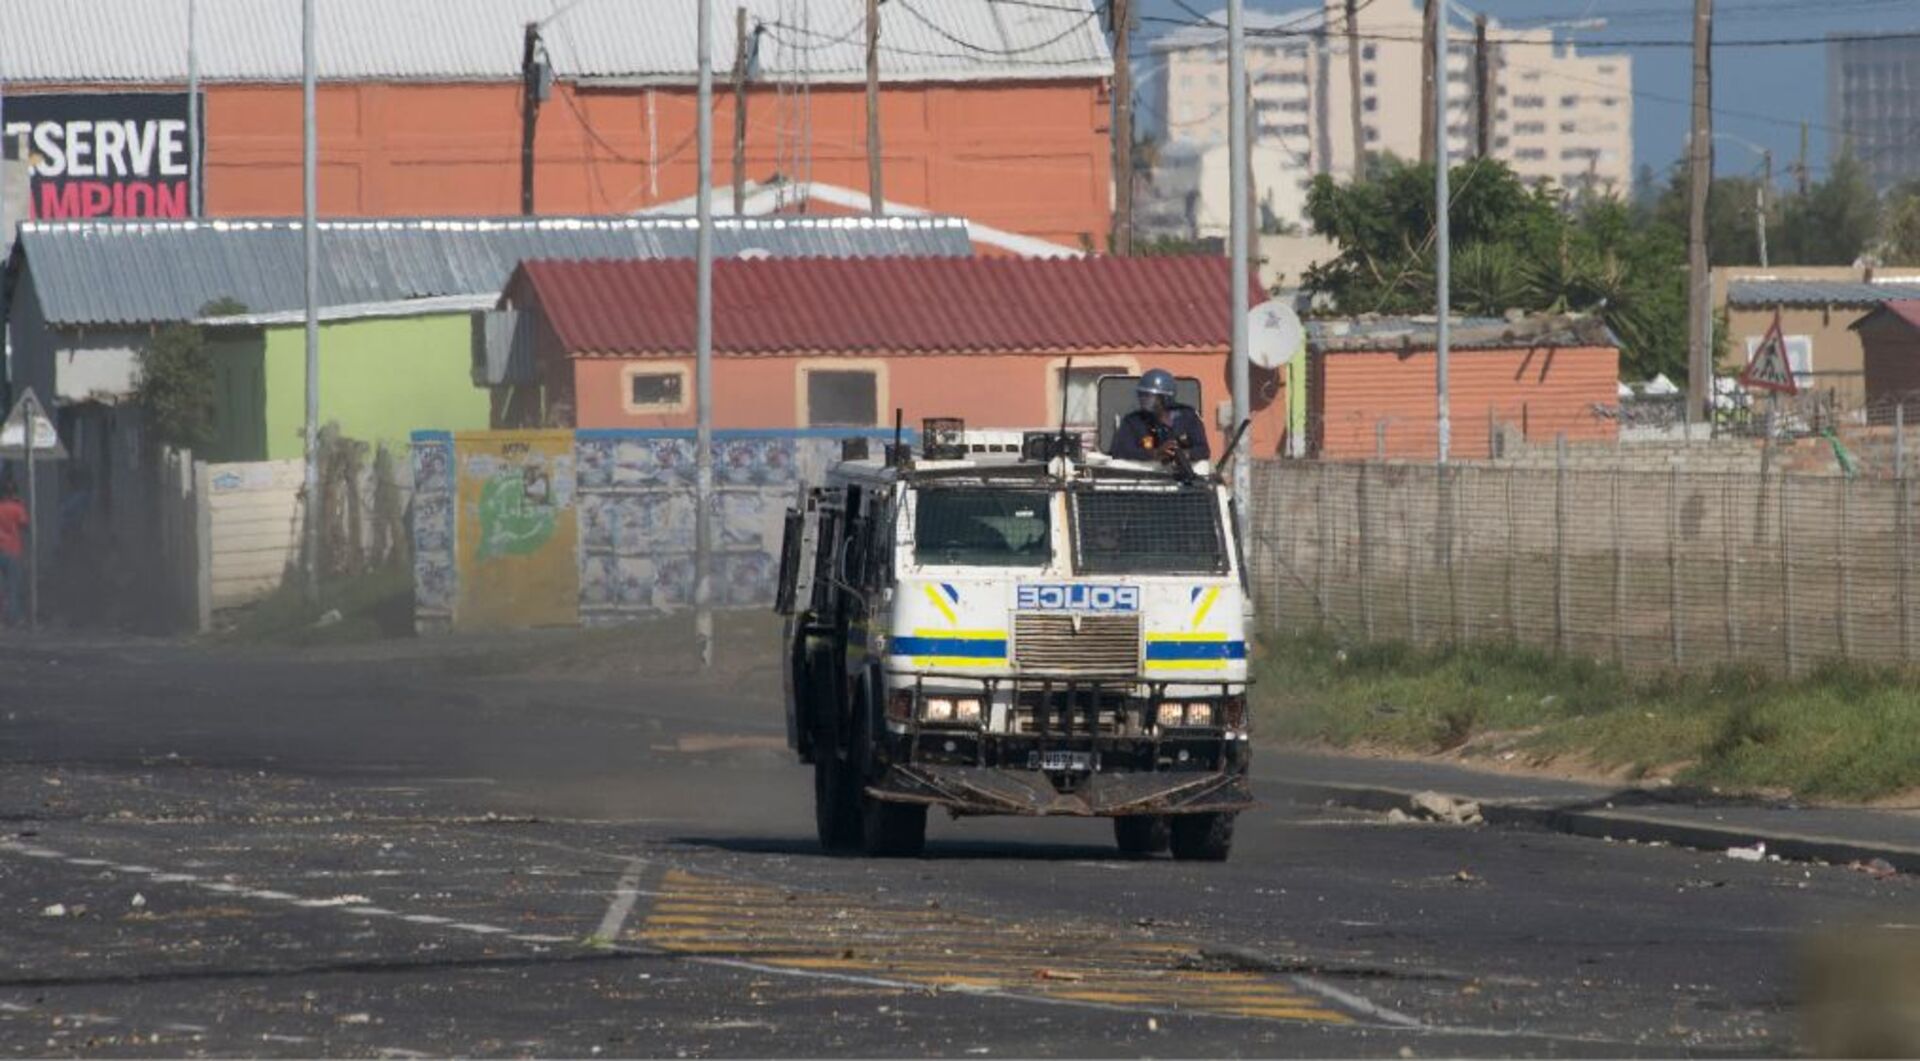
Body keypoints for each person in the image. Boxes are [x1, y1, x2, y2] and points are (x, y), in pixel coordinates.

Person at [1108, 369, 1212, 465]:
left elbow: (1203, 450)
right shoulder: (1133, 422)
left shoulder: (1187, 417)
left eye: (1149, 396)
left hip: (1181, 480)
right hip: (1146, 479)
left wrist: (1181, 454)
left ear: (1165, 398)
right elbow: (1119, 451)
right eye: (1141, 395)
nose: (1143, 399)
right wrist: (1155, 453)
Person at [0, 481, 27, 628]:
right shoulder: (17, 508)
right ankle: (13, 618)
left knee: (2, 587)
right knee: (13, 587)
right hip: (12, 550)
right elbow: (24, 525)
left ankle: (2, 619)